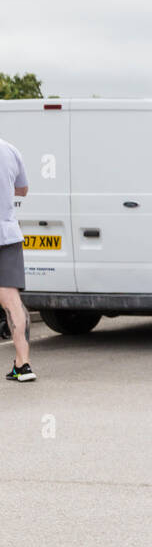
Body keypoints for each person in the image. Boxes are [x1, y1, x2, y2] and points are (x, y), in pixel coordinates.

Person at [0, 136, 34, 382]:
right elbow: (22, 189)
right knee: (12, 301)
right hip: (7, 235)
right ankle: (23, 365)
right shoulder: (10, 150)